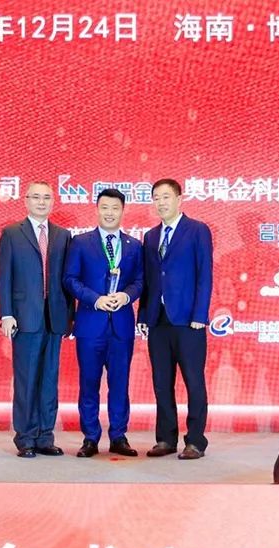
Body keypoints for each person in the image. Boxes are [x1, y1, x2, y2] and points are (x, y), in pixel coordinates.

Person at [63, 188, 144, 458]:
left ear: (123, 211)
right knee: (89, 383)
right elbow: (70, 279)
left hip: (121, 326)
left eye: (115, 208)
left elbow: (140, 281)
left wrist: (126, 295)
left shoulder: (134, 246)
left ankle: (118, 436)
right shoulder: (80, 242)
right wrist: (95, 300)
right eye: (105, 207)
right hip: (90, 324)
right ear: (97, 210)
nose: (110, 213)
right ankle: (90, 437)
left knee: (120, 384)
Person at [137, 178, 213, 459]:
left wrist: (200, 314)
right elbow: (149, 279)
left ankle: (195, 441)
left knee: (194, 381)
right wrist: (144, 314)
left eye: (166, 197)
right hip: (158, 321)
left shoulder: (197, 230)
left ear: (179, 199)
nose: (161, 202)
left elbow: (205, 275)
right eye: (156, 198)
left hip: (188, 321)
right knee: (161, 383)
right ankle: (166, 439)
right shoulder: (150, 236)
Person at [0, 181, 73, 458]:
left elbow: (67, 280)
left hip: (55, 318)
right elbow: (5, 277)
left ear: (53, 202)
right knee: (26, 380)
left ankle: (45, 436)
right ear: (26, 201)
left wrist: (70, 317)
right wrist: (6, 313)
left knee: (49, 380)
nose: (42, 202)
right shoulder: (11, 234)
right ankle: (26, 438)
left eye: (47, 198)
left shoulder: (63, 235)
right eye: (36, 197)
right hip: (24, 318)